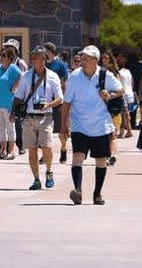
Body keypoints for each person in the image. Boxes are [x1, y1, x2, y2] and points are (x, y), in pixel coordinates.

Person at [61, 45, 124, 206]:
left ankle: (97, 193)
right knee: (77, 157)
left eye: (87, 58)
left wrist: (109, 95)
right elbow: (66, 102)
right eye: (82, 57)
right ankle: (78, 190)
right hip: (79, 125)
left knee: (101, 161)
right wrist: (63, 124)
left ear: (95, 60)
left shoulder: (105, 75)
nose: (83, 60)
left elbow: (121, 90)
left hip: (100, 125)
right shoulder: (74, 77)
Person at [14, 46, 63, 189]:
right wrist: (13, 112)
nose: (33, 60)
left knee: (47, 147)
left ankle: (49, 171)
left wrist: (48, 104)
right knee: (32, 150)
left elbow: (60, 98)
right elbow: (18, 96)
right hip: (29, 117)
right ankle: (36, 179)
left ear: (44, 59)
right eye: (33, 57)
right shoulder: (26, 76)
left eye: (36, 57)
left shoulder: (53, 76)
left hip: (46, 117)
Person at [0, 46, 22, 160]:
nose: (1, 57)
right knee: (0, 128)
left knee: (10, 128)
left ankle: (11, 151)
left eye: (4, 55)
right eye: (1, 55)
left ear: (10, 58)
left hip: (8, 103)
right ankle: (2, 150)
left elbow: (22, 76)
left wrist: (15, 86)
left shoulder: (13, 68)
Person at [44, 42, 70, 163]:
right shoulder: (42, 64)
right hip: (45, 102)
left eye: (46, 51)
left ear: (51, 52)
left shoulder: (60, 65)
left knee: (60, 130)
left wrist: (64, 100)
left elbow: (65, 82)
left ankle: (63, 150)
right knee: (45, 130)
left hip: (58, 101)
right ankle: (45, 153)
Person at [2, 38, 28, 155]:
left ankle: (20, 145)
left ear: (16, 50)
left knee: (17, 122)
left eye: (10, 47)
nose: (8, 49)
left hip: (17, 97)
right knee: (4, 122)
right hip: (4, 96)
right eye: (6, 47)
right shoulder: (3, 62)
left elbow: (24, 79)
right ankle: (4, 146)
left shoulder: (20, 63)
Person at [100, 51, 125, 166]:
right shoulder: (101, 71)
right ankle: (111, 155)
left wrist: (110, 96)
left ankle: (110, 155)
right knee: (111, 134)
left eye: (106, 58)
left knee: (110, 134)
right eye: (103, 58)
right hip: (110, 105)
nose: (104, 60)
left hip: (112, 105)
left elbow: (121, 89)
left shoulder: (111, 71)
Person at [114, 51, 137, 135]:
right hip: (129, 94)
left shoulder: (119, 72)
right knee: (126, 113)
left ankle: (124, 131)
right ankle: (127, 130)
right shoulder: (128, 71)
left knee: (124, 113)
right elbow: (132, 83)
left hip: (124, 94)